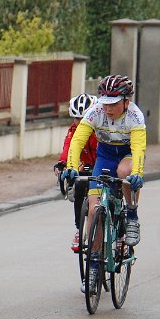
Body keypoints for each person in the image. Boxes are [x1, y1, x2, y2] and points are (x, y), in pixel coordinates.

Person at [62, 75, 146, 293]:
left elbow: (138, 149)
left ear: (126, 102)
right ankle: (93, 265)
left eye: (113, 104)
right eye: (105, 103)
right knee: (93, 209)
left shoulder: (135, 116)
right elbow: (77, 141)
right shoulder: (95, 111)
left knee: (124, 173)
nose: (108, 109)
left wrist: (137, 173)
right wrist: (71, 166)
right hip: (105, 156)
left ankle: (131, 215)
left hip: (127, 155)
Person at [53, 93, 98, 252]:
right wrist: (62, 163)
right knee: (79, 186)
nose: (79, 122)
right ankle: (80, 229)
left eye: (83, 118)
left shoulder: (100, 128)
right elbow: (68, 147)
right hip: (86, 165)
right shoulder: (73, 130)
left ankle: (118, 229)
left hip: (102, 163)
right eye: (76, 118)